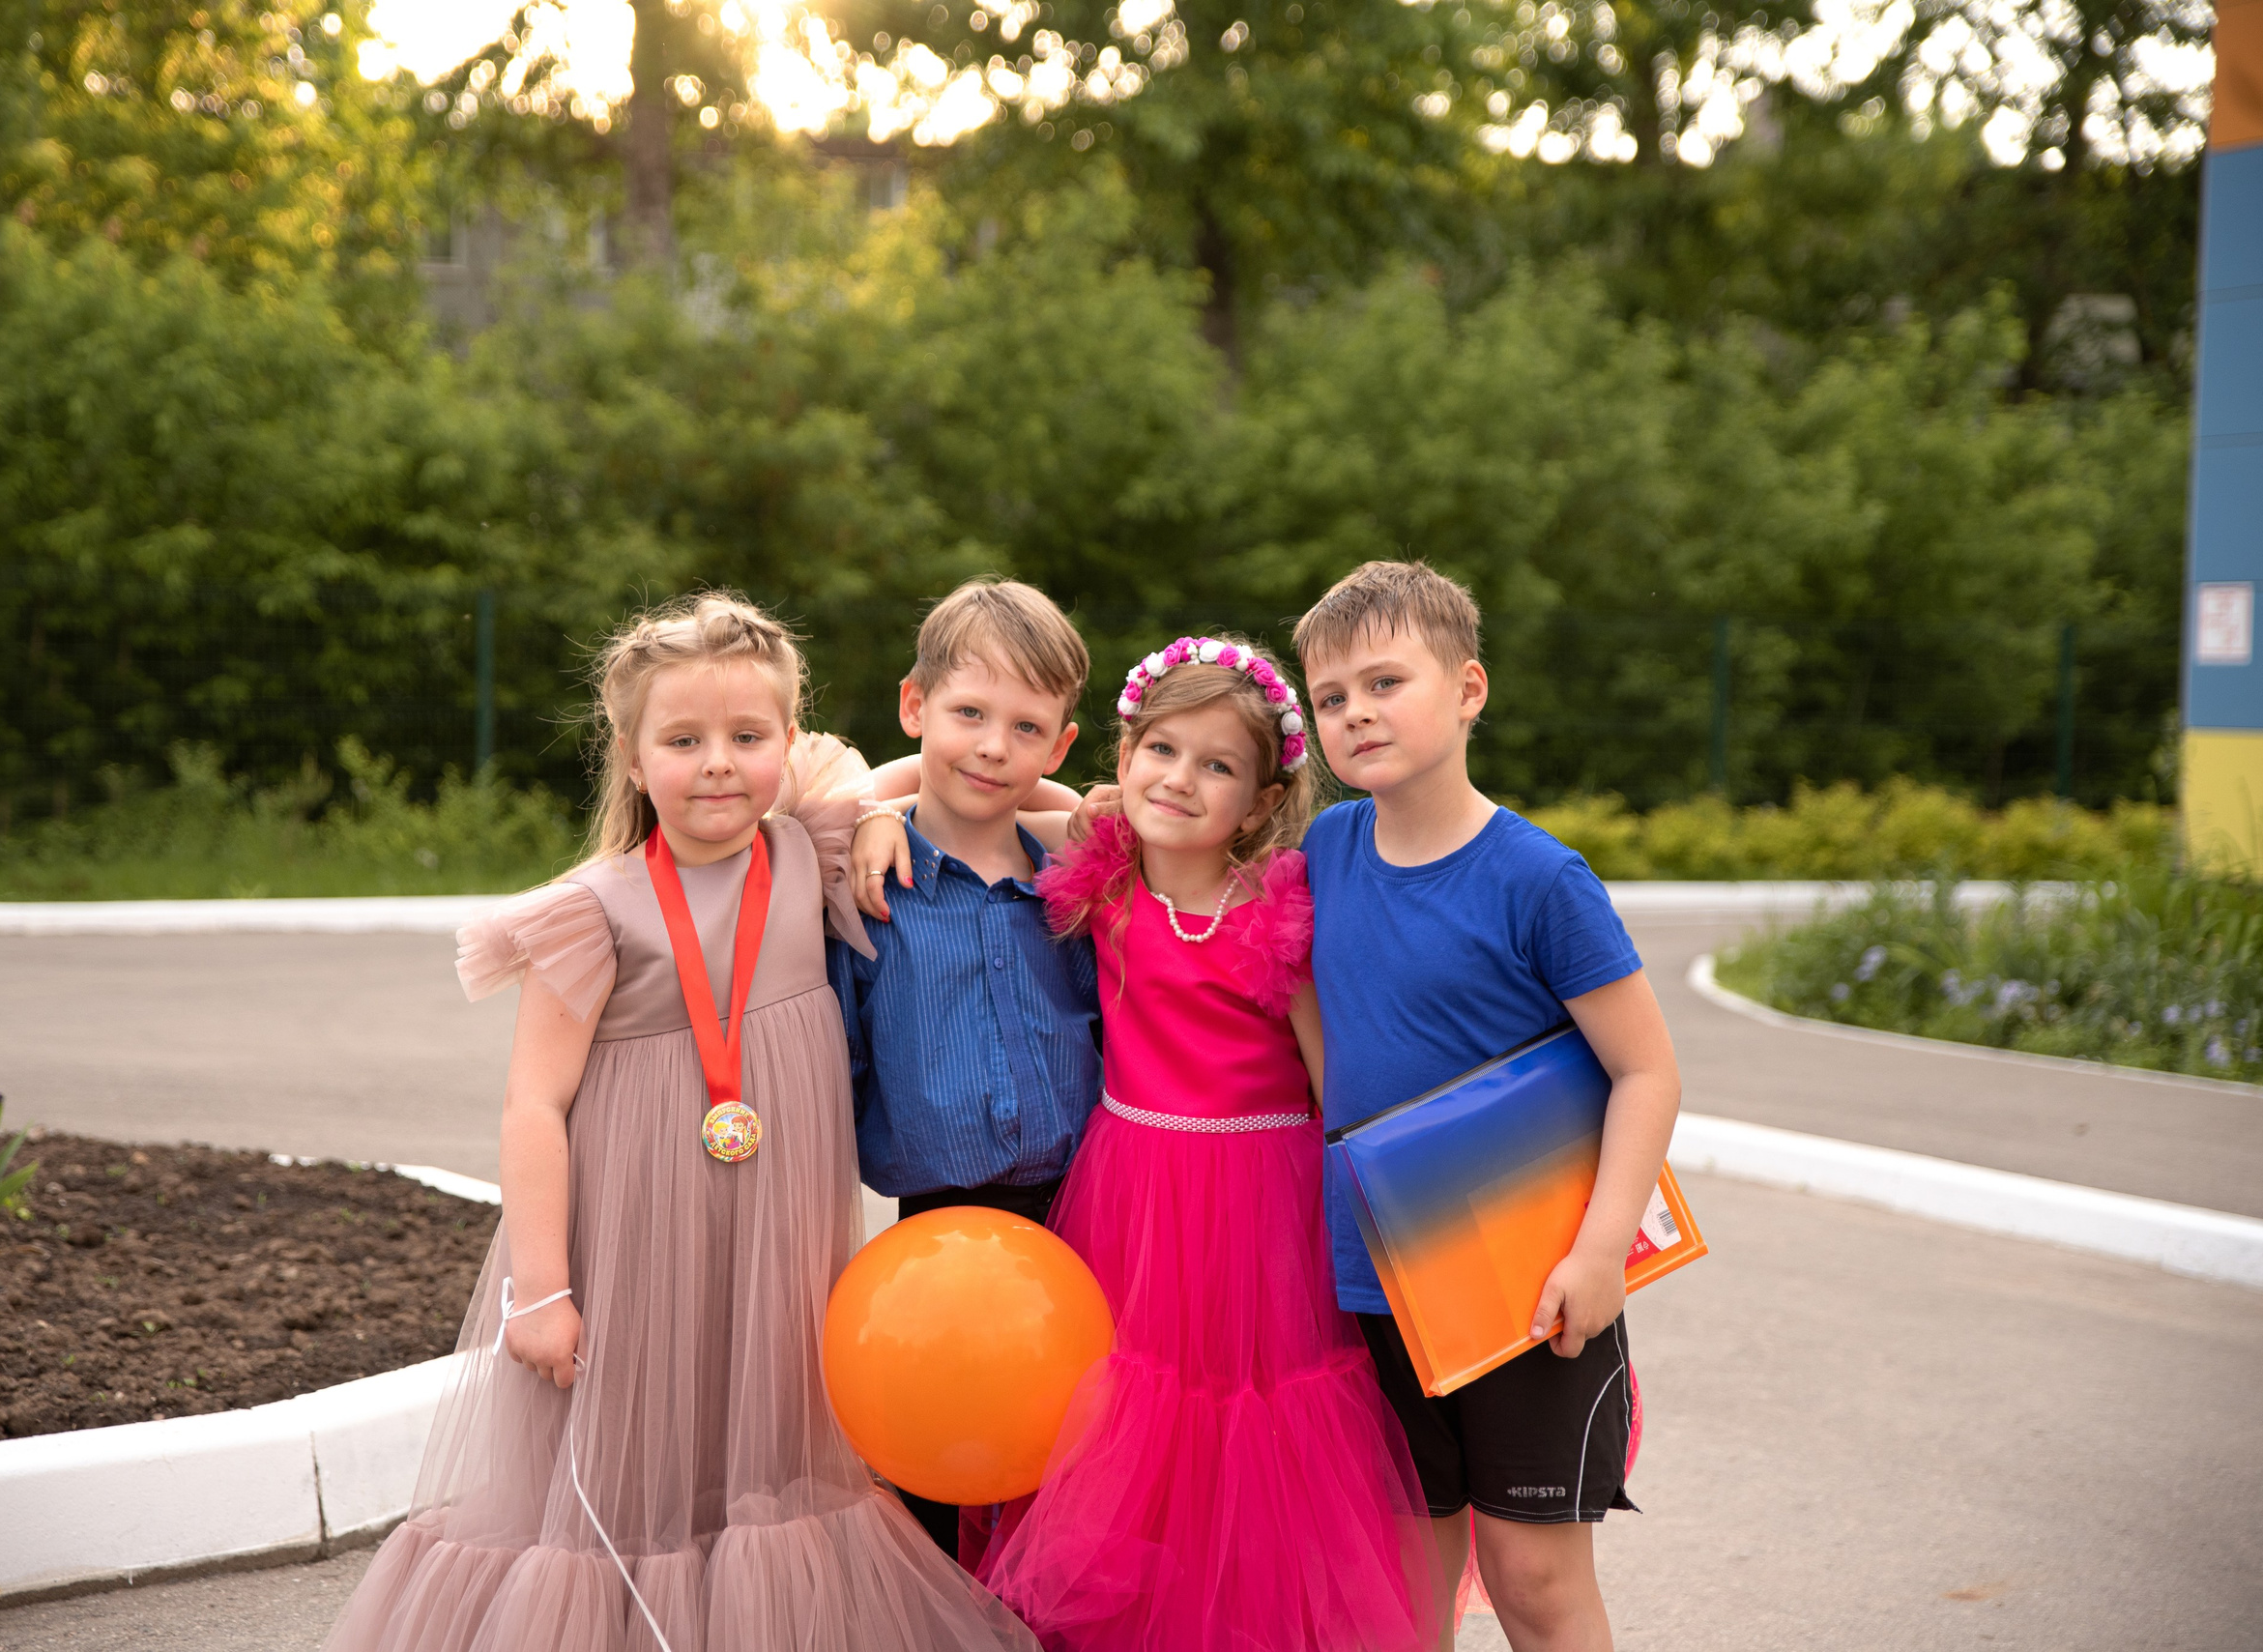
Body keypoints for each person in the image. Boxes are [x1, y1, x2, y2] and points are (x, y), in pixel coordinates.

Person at [325, 593, 1038, 1652]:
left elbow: (941, 778)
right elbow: (534, 1102)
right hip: (636, 1231)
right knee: (640, 1452)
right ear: (628, 749)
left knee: (764, 1443)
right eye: (683, 738)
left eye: (748, 737)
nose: (717, 762)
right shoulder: (593, 907)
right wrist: (543, 1287)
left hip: (780, 1233)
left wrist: (884, 809)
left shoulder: (812, 848)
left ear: (785, 743)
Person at [974, 635, 1447, 1652]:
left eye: (1217, 764)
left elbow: (1338, 1090)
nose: (1180, 779)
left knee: (1256, 1427)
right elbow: (972, 784)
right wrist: (875, 821)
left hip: (1260, 1199)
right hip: (1133, 1187)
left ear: (1260, 801)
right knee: (1132, 1423)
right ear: (1125, 754)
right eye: (1161, 749)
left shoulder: (1279, 912)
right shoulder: (1100, 878)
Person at [1293, 562, 1682, 1652]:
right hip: (1371, 1280)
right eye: (1330, 697)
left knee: (1532, 1579)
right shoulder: (1325, 850)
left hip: (1529, 1284)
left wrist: (1601, 1250)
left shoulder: (1539, 878)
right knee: (1404, 1587)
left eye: (1384, 680)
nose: (1356, 712)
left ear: (1468, 688)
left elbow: (1648, 1072)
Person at [827, 579, 1104, 1560]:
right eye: (967, 714)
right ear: (914, 706)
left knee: (1070, 1478)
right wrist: (872, 806)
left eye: (1025, 726)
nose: (993, 747)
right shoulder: (864, 881)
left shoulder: (1079, 877)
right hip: (931, 1248)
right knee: (931, 1487)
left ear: (1058, 747)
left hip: (1079, 1220)